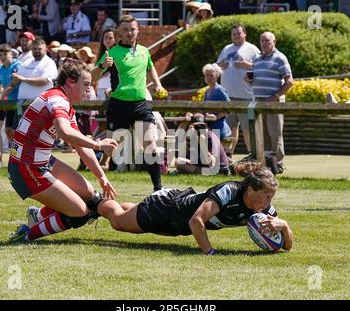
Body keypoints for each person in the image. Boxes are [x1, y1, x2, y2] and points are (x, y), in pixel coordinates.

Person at [8, 59, 118, 243]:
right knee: (80, 212)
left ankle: (38, 215)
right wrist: (99, 145)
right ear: (70, 83)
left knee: (89, 193)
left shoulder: (64, 102)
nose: (89, 90)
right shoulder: (57, 100)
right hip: (25, 167)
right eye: (86, 84)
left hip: (41, 162)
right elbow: (65, 133)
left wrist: (102, 177)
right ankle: (27, 235)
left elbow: (80, 145)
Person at [96, 160, 293, 254]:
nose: (269, 203)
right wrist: (210, 252)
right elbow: (196, 220)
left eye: (271, 198)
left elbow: (286, 247)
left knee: (128, 215)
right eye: (266, 196)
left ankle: (131, 208)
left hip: (178, 226)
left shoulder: (263, 209)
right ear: (250, 190)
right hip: (167, 208)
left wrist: (284, 226)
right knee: (118, 222)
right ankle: (92, 200)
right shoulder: (229, 192)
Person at [92, 15, 166, 192]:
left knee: (150, 144)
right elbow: (92, 77)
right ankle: (94, 171)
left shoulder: (144, 51)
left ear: (138, 30)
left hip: (141, 104)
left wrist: (158, 84)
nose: (129, 32)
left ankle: (158, 189)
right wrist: (102, 66)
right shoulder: (112, 53)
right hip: (119, 105)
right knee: (112, 151)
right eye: (125, 29)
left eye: (132, 29)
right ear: (118, 32)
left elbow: (150, 67)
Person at [247, 31, 294, 171]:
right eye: (262, 41)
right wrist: (249, 80)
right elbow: (253, 80)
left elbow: (289, 81)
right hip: (258, 101)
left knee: (275, 132)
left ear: (274, 42)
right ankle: (266, 162)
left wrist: (276, 95)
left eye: (267, 40)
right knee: (262, 133)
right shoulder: (256, 59)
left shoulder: (280, 58)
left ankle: (278, 163)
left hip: (274, 101)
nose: (264, 43)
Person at [216, 24, 261, 158]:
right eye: (234, 34)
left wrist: (247, 65)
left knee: (248, 129)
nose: (236, 36)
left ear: (244, 34)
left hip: (246, 98)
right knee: (230, 129)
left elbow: (261, 66)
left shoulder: (252, 49)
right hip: (228, 98)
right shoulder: (226, 48)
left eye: (238, 33)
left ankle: (252, 155)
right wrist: (221, 65)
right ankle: (228, 157)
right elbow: (217, 66)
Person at [202, 63, 231, 141]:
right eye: (207, 75)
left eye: (211, 75)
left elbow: (229, 107)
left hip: (219, 127)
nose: (208, 77)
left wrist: (217, 116)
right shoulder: (206, 91)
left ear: (217, 76)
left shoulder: (220, 90)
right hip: (209, 125)